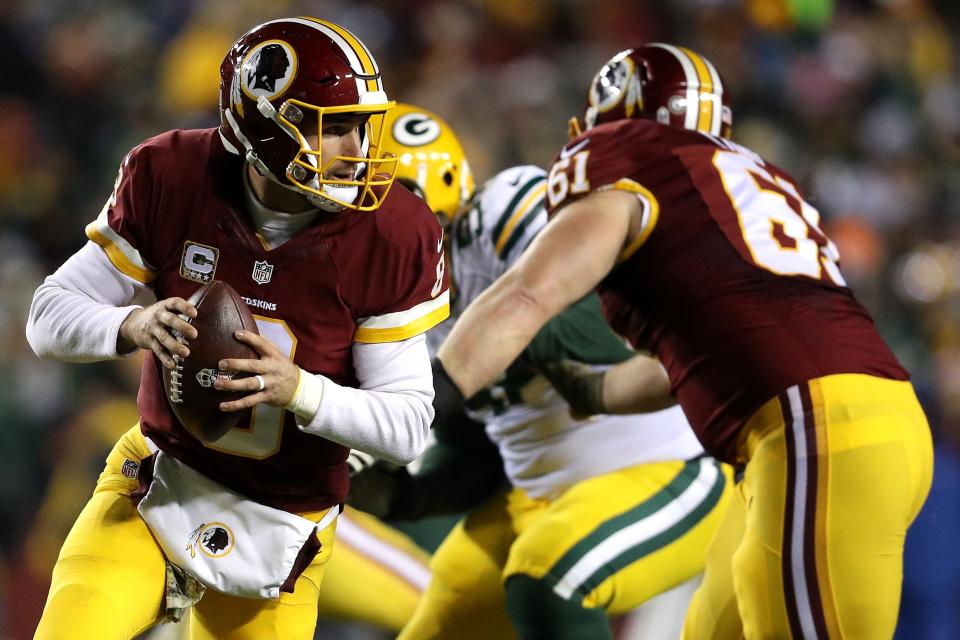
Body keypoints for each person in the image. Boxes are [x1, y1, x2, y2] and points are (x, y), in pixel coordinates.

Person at [432, 44, 934, 639]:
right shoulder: (746, 177)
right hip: (848, 426)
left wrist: (423, 395)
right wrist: (595, 390)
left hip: (811, 431)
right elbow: (694, 361)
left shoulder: (627, 153)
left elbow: (526, 295)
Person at [25, 17, 447, 640]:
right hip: (160, 482)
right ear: (269, 128)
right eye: (335, 128)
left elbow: (409, 426)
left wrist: (299, 390)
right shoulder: (173, 174)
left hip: (284, 522)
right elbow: (46, 317)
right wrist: (133, 322)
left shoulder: (393, 233)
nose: (357, 148)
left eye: (362, 126)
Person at [354, 103, 733, 640]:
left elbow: (609, 316)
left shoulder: (502, 211)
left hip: (670, 468)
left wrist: (491, 343)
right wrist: (403, 495)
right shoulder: (394, 314)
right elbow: (476, 452)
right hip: (538, 498)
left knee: (549, 577)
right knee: (444, 613)